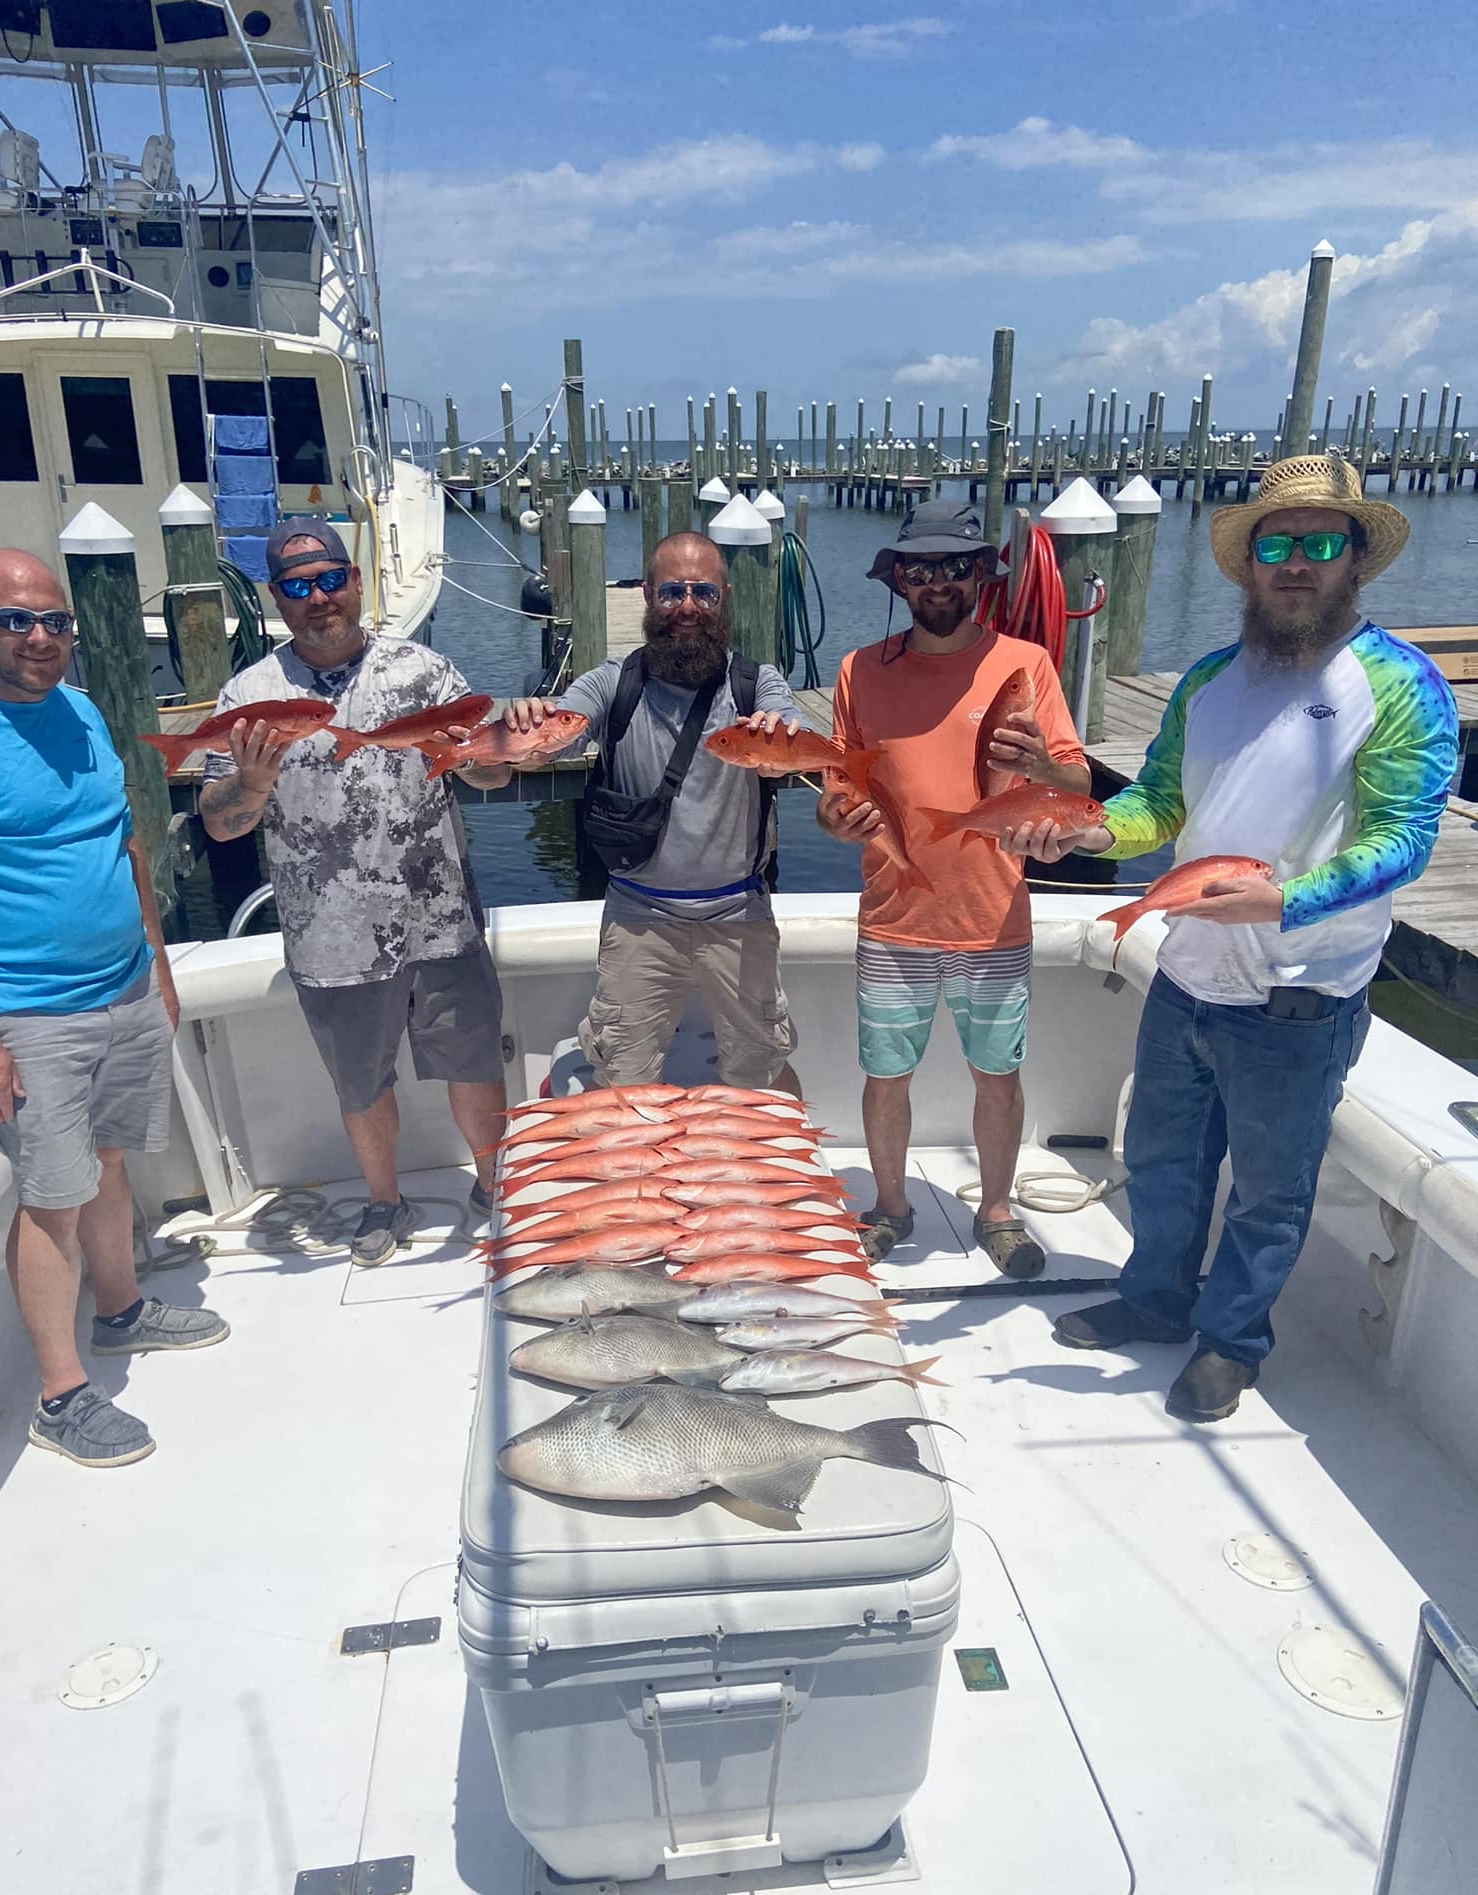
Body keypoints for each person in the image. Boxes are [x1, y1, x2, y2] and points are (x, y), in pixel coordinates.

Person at [1005, 455, 1458, 1422]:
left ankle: (1233, 1341)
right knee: (1164, 1160)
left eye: (1321, 544)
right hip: (1187, 977)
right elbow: (1159, 806)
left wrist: (1286, 901)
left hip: (1302, 996)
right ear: (1249, 563)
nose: (1297, 563)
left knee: (1268, 1191)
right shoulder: (1208, 681)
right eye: (1278, 544)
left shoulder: (1399, 683)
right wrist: (1090, 826)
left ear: (1355, 562)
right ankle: (1158, 1298)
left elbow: (1405, 838)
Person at [0, 551, 229, 1469]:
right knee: (53, 1200)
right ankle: (61, 1398)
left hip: (123, 985)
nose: (40, 640)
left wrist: (155, 957)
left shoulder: (80, 706)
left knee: (108, 1162)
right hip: (25, 1008)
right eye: (14, 622)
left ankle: (123, 1310)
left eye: (54, 623)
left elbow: (125, 842)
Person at [199, 519, 509, 1267]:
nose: (319, 598)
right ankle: (383, 1201)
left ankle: (496, 1190)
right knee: (360, 1081)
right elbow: (219, 823)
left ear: (357, 580)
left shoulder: (425, 672)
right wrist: (253, 782)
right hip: (329, 934)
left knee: (472, 1061)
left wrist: (467, 755)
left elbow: (497, 771)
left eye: (330, 579)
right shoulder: (250, 693)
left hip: (439, 919)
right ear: (277, 598)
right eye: (299, 587)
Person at [817, 501, 1090, 1274]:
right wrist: (835, 818)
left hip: (994, 915)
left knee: (997, 1074)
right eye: (921, 568)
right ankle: (891, 1205)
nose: (938, 582)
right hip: (894, 915)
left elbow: (1075, 778)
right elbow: (836, 789)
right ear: (899, 578)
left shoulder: (1027, 664)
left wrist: (1042, 764)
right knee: (885, 1074)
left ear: (981, 574)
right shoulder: (857, 670)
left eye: (955, 567)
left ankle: (996, 1211)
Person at [503, 530, 804, 1091]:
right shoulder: (611, 683)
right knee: (622, 1079)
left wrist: (781, 741)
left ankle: (767, 1174)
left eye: (702, 593)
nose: (687, 608)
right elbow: (557, 734)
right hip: (639, 919)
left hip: (739, 918)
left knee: (761, 1076)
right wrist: (524, 726)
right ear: (647, 595)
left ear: (724, 597)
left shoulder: (756, 682)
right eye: (671, 592)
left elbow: (789, 726)